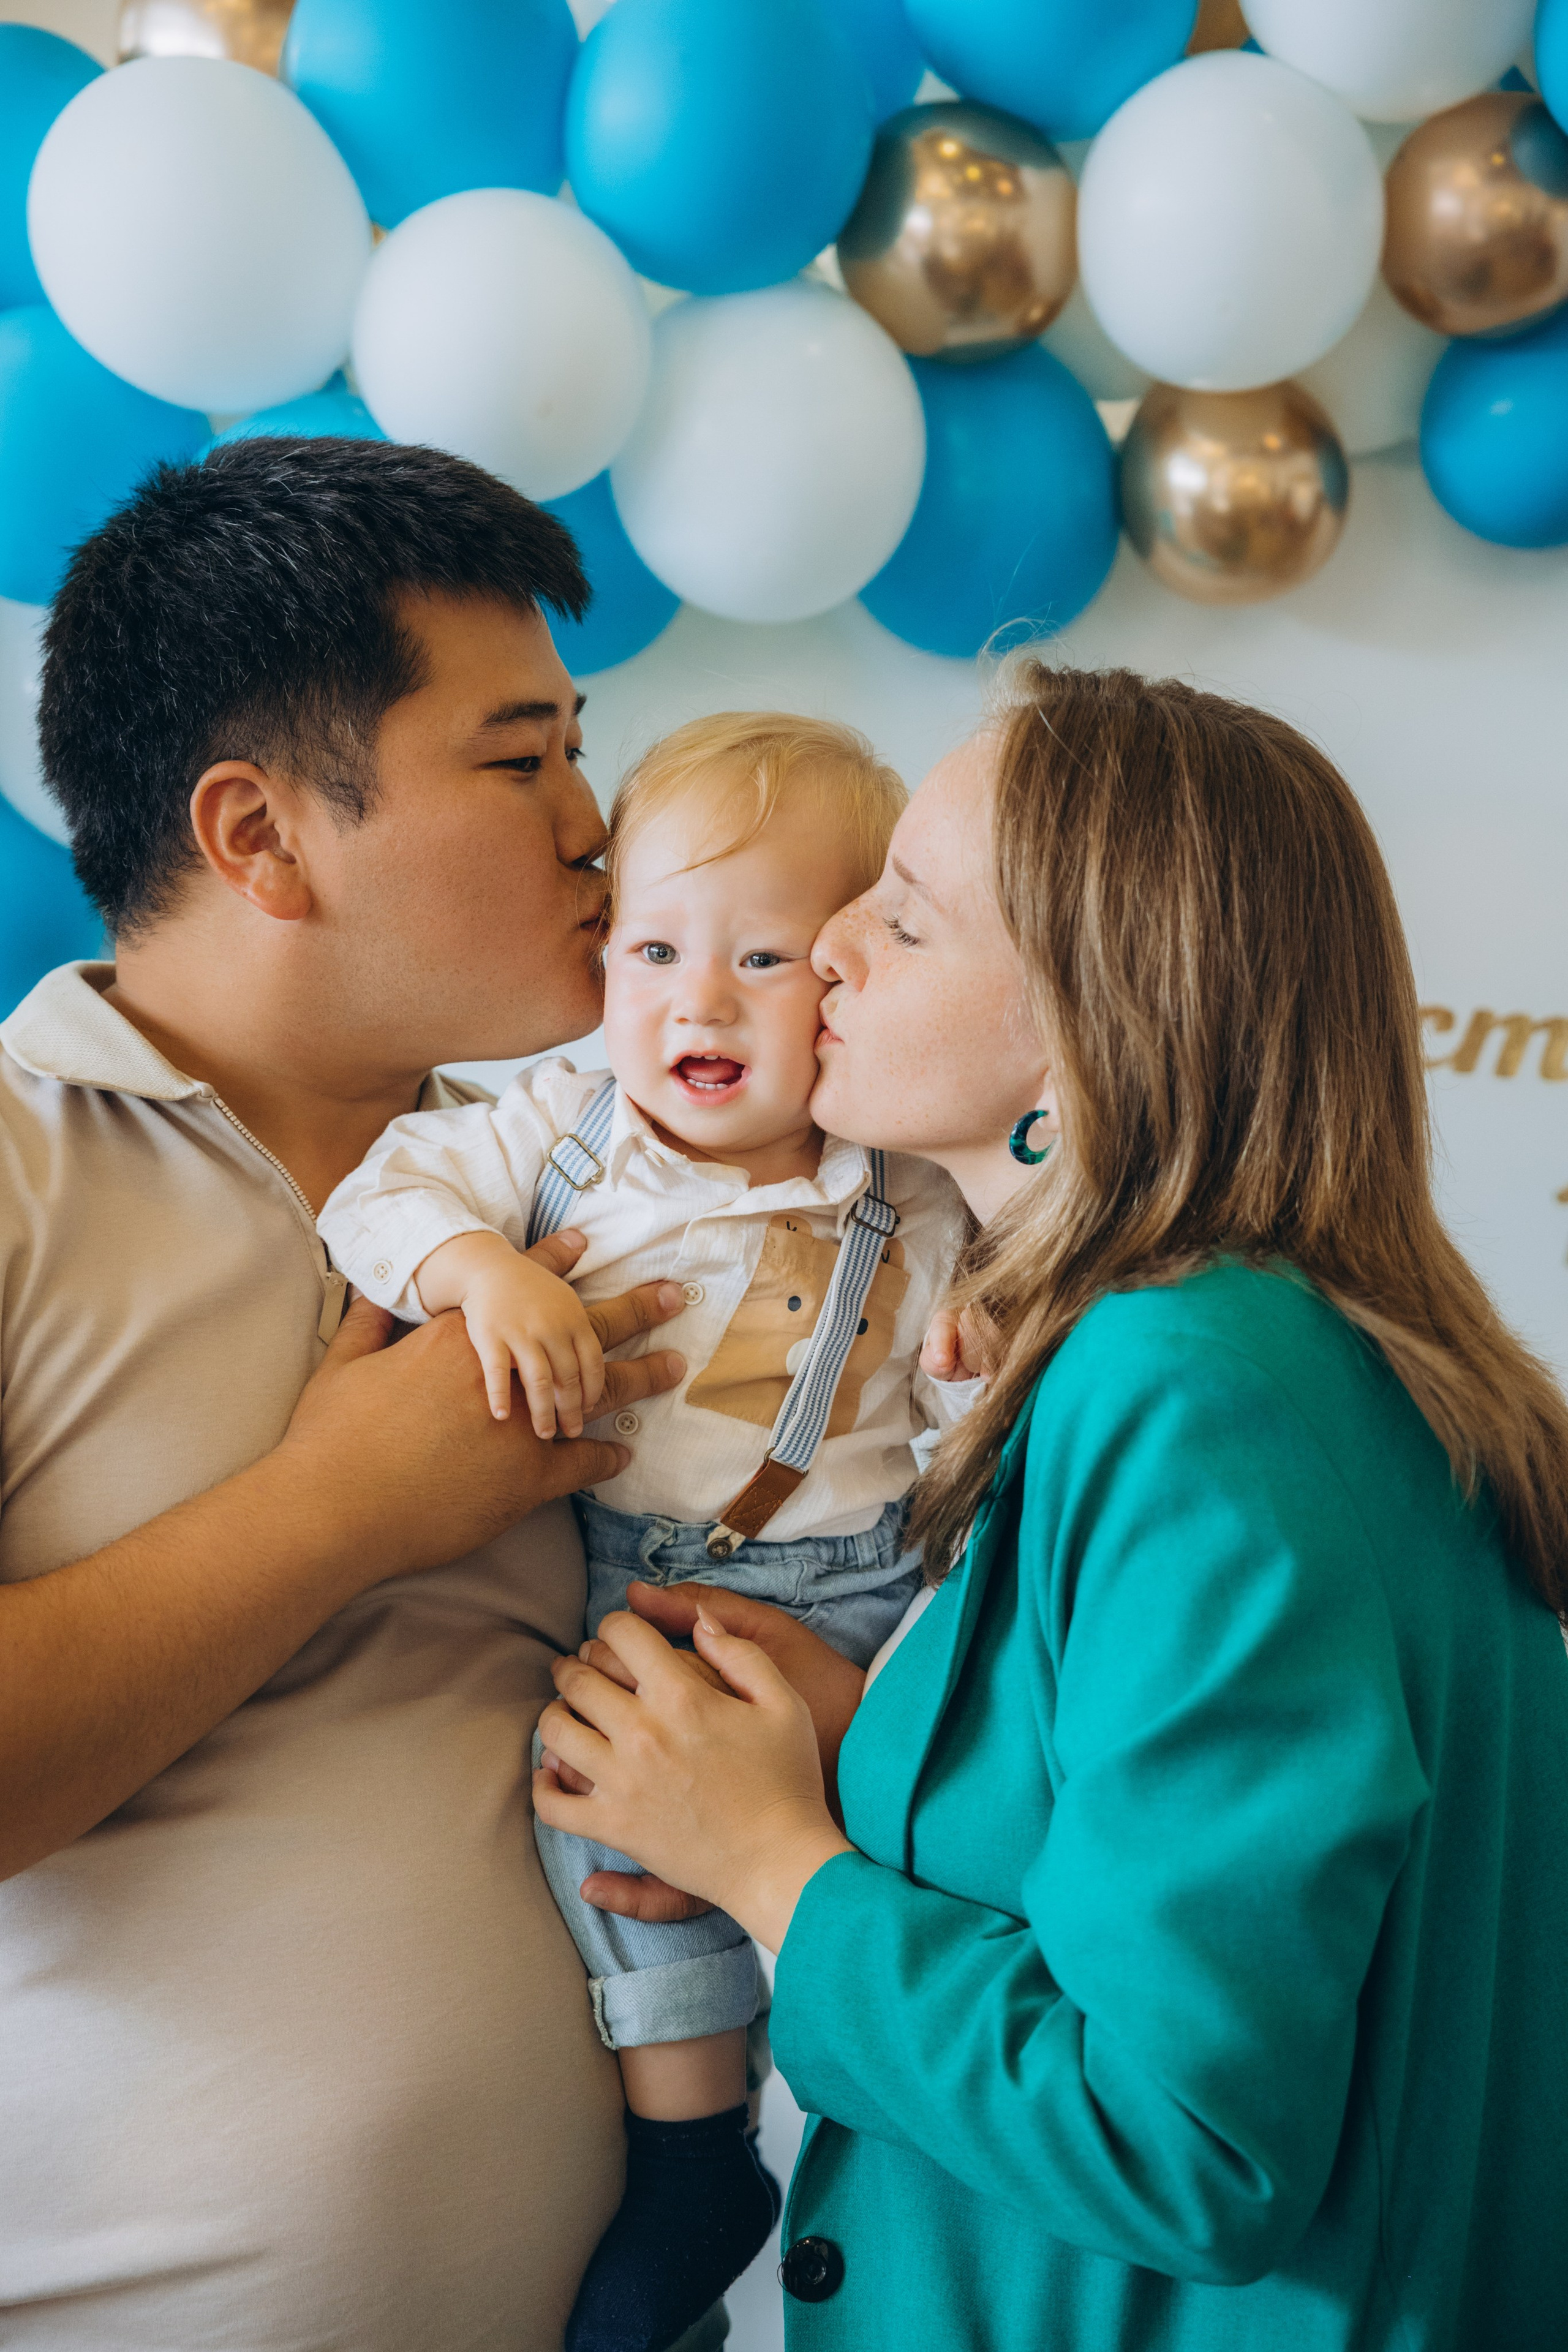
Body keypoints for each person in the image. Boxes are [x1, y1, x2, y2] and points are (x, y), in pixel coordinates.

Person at [533, 663, 1568, 2351]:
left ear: (1094, 1033)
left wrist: (774, 1865)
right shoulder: (1294, 1360)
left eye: (911, 918)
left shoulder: (1190, 1389)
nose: (833, 949)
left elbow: (1188, 2144)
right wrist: (870, 1738)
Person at [0, 436, 690, 2351]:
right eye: (517, 756)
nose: (591, 821)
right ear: (257, 835)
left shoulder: (596, 1183)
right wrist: (350, 1504)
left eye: (580, 748)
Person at [320, 713, 973, 2352]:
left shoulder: (906, 1182)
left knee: (886, 1852)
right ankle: (694, 2155)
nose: (699, 1001)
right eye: (655, 948)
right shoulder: (557, 1127)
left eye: (764, 959)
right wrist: (484, 1273)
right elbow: (383, 1196)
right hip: (631, 1585)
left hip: (866, 1593)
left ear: (844, 989)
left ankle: (867, 2151)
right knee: (601, 1829)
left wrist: (992, 1350)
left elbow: (982, 1409)